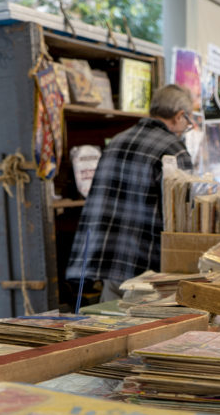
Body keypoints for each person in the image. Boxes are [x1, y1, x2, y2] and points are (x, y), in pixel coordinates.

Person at [66, 84, 196, 301]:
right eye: (187, 122)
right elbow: (183, 218)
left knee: (108, 329)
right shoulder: (174, 150)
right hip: (148, 273)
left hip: (110, 267)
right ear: (179, 116)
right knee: (146, 334)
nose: (185, 128)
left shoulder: (117, 141)